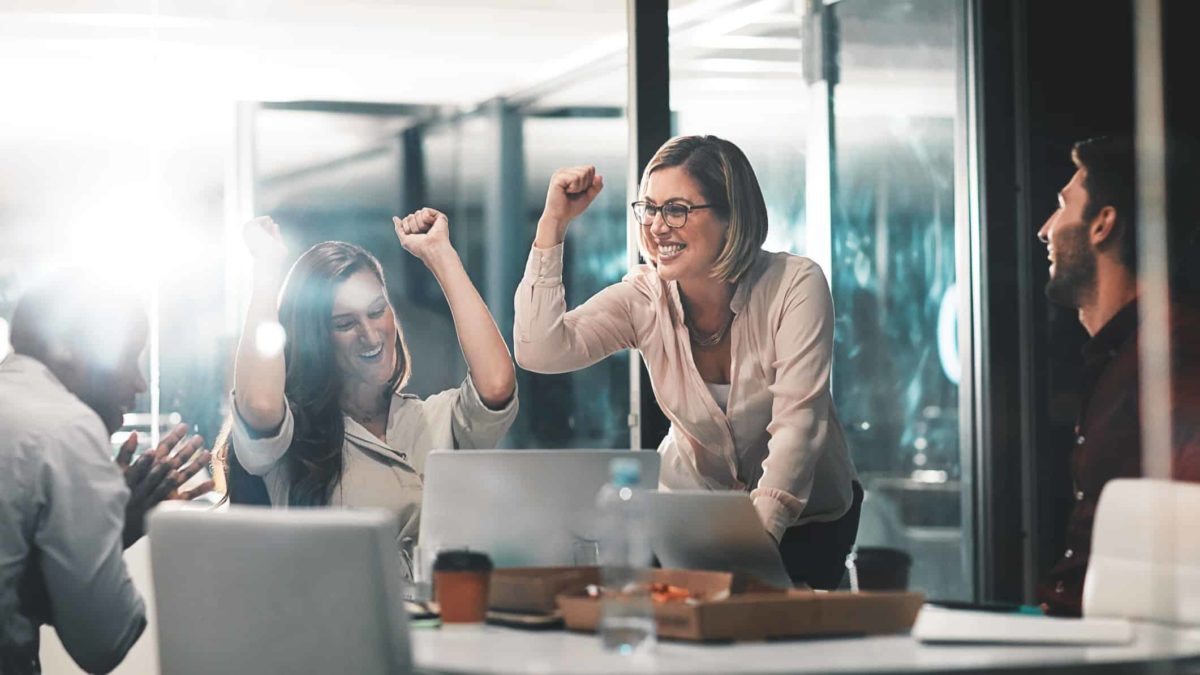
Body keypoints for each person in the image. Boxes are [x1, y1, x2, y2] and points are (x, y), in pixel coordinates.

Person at [514, 135, 860, 589]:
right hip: (695, 516)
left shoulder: (795, 284)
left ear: (731, 217)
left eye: (677, 209)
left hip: (807, 519)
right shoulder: (643, 298)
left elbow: (799, 426)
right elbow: (539, 349)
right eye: (649, 209)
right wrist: (552, 224)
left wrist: (752, 547)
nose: (657, 226)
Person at [219, 209, 517, 574]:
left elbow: (497, 383)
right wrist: (266, 273)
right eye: (345, 323)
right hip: (337, 627)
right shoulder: (291, 435)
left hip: (443, 625)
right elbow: (261, 403)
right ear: (315, 337)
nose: (371, 335)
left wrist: (441, 254)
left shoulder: (431, 418)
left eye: (377, 311)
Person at [0, 273, 212, 675]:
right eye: (128, 355)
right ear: (70, 350)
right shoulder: (66, 427)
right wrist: (115, 527)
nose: (140, 382)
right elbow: (104, 643)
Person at [1035, 136, 1200, 616]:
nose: (1045, 230)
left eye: (1063, 206)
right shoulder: (1124, 355)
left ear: (1102, 224)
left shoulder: (1172, 353)